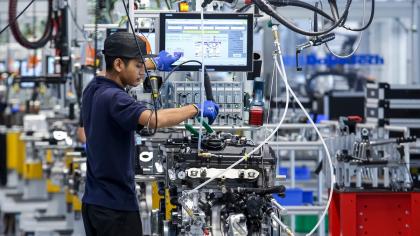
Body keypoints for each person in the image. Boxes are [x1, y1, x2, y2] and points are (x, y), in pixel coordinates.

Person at [81, 32, 219, 236]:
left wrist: (154, 63)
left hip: (95, 202)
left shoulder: (94, 87)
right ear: (119, 64)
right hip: (116, 209)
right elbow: (154, 119)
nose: (143, 72)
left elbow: (111, 72)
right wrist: (196, 108)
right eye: (138, 66)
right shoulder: (115, 98)